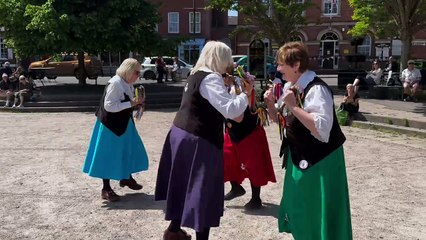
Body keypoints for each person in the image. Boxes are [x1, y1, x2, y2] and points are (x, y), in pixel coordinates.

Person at [155, 41, 253, 240]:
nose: (230, 65)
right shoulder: (211, 79)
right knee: (203, 189)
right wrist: (246, 93)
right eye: (227, 59)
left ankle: (173, 230)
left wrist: (232, 89)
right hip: (199, 138)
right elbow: (232, 111)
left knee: (183, 183)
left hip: (182, 132)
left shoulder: (196, 74)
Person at [263, 42, 352, 240]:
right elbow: (279, 119)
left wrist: (294, 107)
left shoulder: (317, 90)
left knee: (315, 210)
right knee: (299, 207)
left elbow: (322, 130)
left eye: (281, 64)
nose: (277, 69)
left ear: (296, 65)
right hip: (299, 156)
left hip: (321, 160)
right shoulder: (290, 87)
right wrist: (270, 104)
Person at [82, 58, 148, 202]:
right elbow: (109, 106)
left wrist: (137, 104)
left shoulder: (126, 83)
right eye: (137, 72)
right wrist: (132, 103)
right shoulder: (116, 83)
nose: (138, 75)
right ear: (129, 70)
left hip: (123, 123)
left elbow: (125, 103)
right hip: (109, 126)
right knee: (107, 155)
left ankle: (125, 177)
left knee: (128, 150)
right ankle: (106, 188)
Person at [223, 72, 276, 210]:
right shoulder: (223, 89)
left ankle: (256, 198)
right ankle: (236, 187)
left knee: (253, 165)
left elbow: (238, 116)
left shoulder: (242, 89)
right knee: (226, 158)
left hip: (248, 131)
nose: (224, 78)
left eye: (226, 76)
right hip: (232, 130)